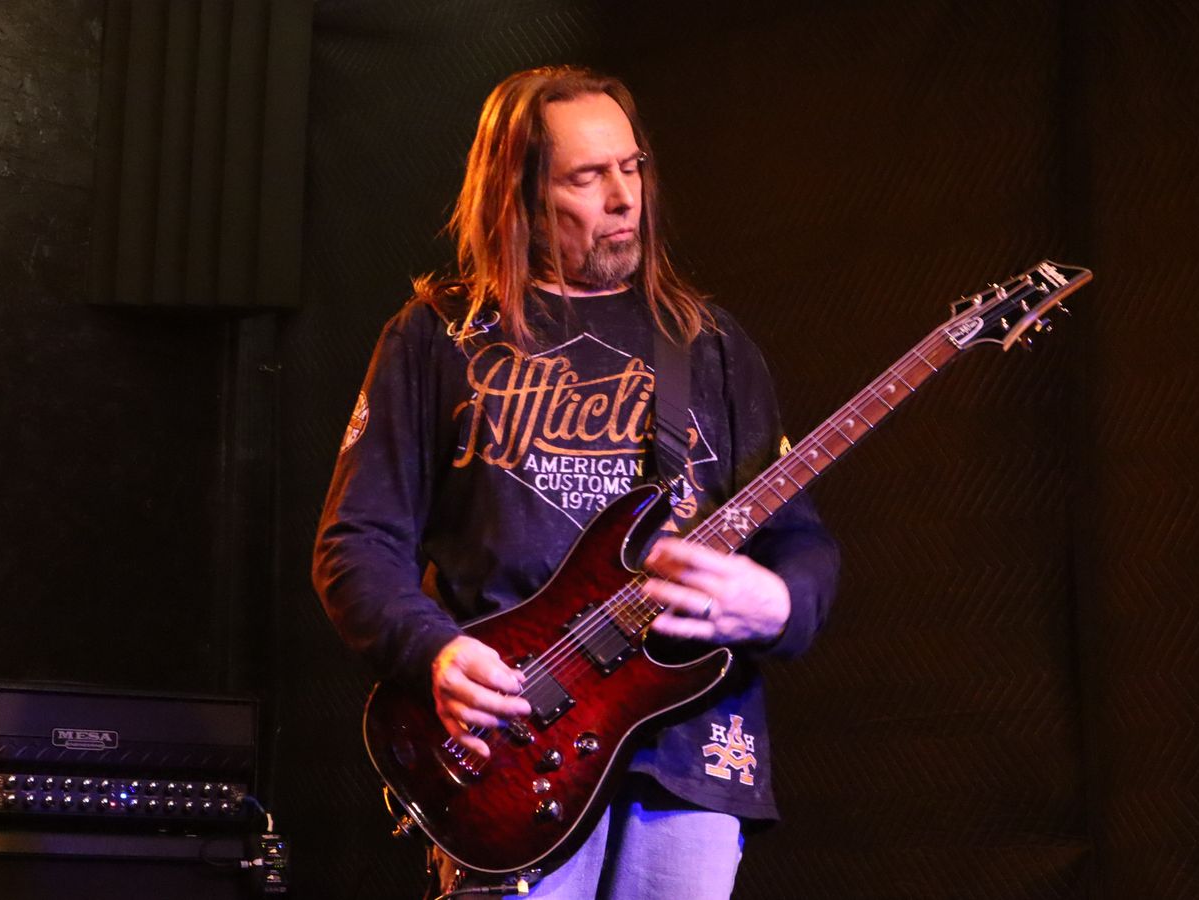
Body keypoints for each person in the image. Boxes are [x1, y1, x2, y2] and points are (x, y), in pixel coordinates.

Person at [313, 66, 839, 899]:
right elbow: (356, 544)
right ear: (519, 194)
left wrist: (778, 602)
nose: (625, 197)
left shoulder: (708, 344)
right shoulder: (438, 337)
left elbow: (799, 538)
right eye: (588, 177)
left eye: (632, 168)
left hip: (689, 749)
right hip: (512, 748)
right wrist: (435, 650)